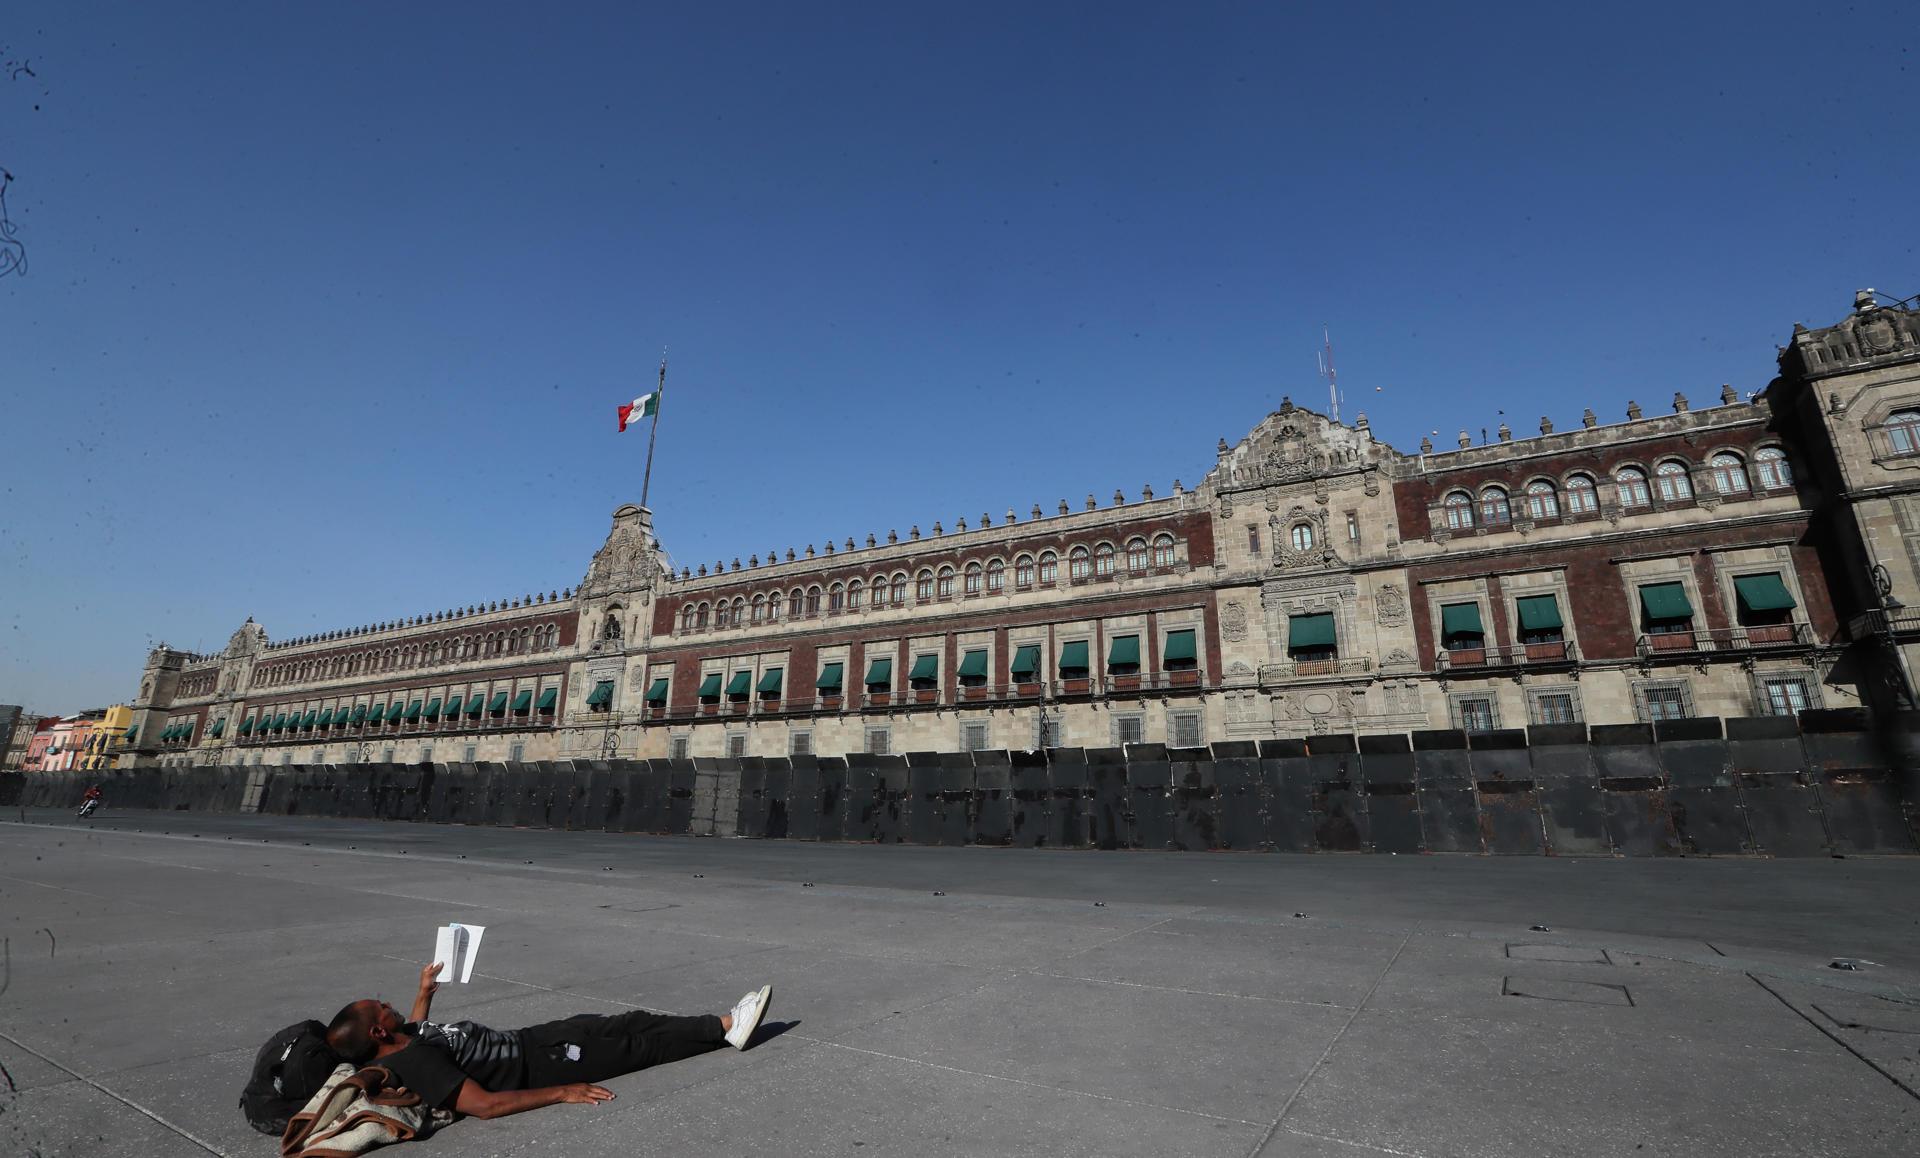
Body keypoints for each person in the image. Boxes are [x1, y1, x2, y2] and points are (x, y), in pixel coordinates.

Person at [325, 962, 771, 1120]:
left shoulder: (407, 1039)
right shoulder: (416, 1064)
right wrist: (562, 1092)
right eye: (380, 1007)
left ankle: (724, 1025)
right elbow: (484, 1106)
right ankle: (728, 1025)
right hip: (545, 1065)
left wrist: (423, 993)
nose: (387, 1003)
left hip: (537, 1038)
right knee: (637, 1047)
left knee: (628, 1020)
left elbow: (420, 1028)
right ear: (378, 1033)